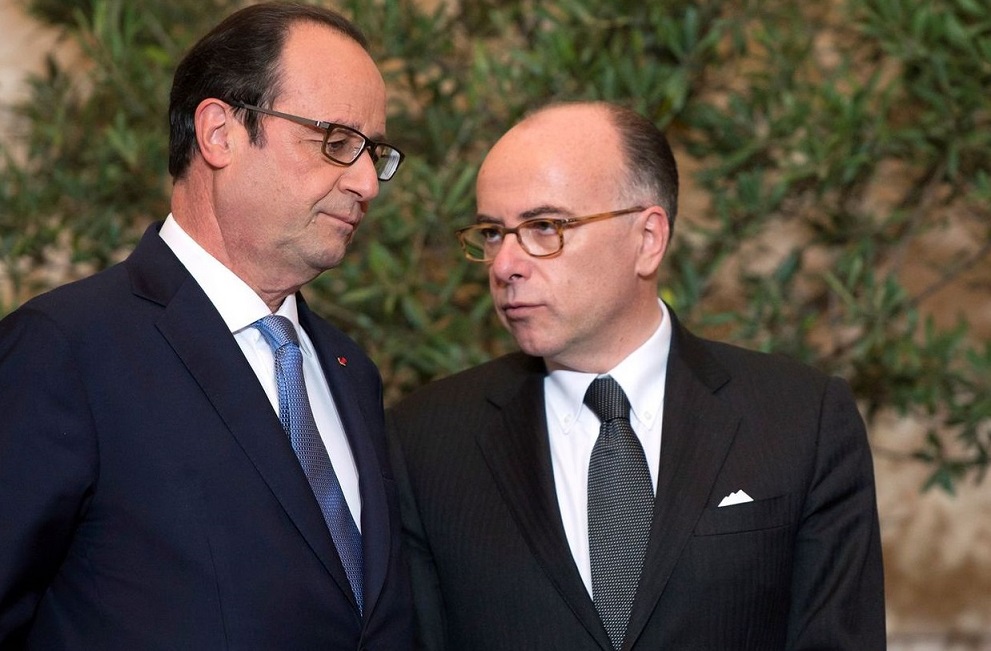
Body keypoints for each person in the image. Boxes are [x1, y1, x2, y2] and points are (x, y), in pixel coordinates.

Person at [387, 101, 886, 650]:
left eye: (544, 227)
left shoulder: (800, 420)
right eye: (491, 233)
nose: (505, 265)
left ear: (648, 238)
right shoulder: (425, 439)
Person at [0, 3, 412, 648]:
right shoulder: (66, 349)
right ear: (220, 132)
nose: (366, 181)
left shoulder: (349, 371)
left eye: (375, 153)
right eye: (336, 141)